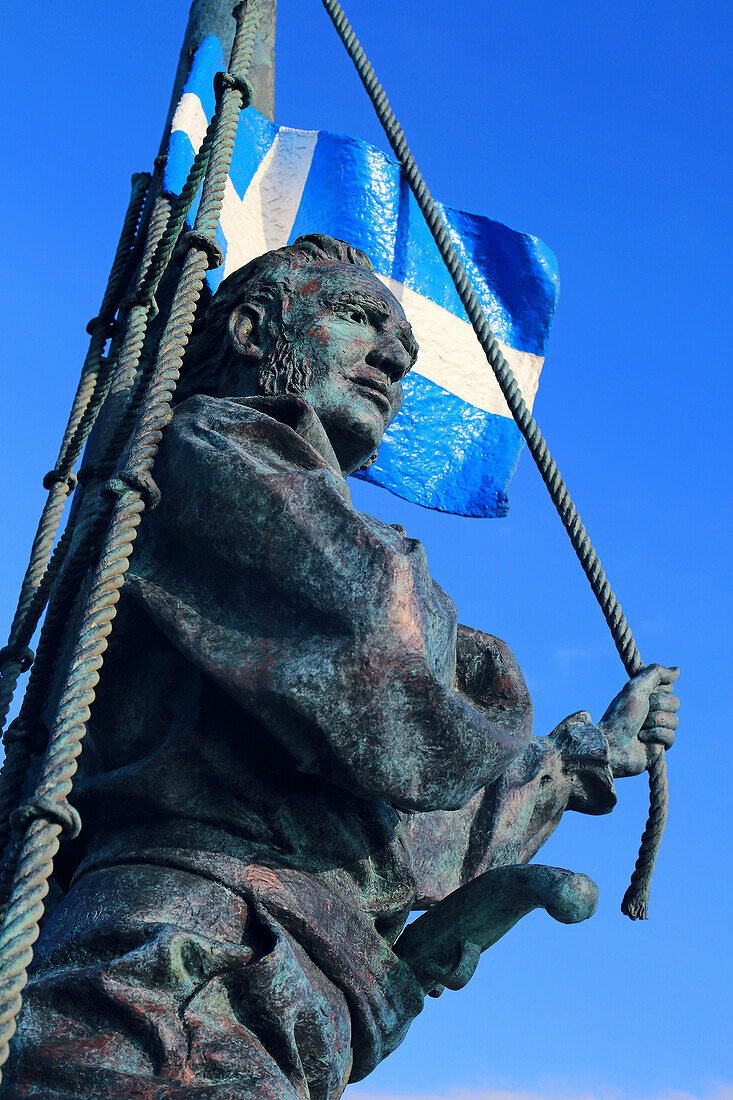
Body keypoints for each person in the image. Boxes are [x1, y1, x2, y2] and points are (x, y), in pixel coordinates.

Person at [2, 235, 678, 1100]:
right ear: (251, 330)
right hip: (177, 970)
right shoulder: (204, 448)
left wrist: (584, 760)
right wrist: (467, 669)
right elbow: (375, 654)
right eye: (359, 319)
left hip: (283, 991)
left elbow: (405, 810)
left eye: (402, 345)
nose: (393, 358)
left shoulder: (283, 520)